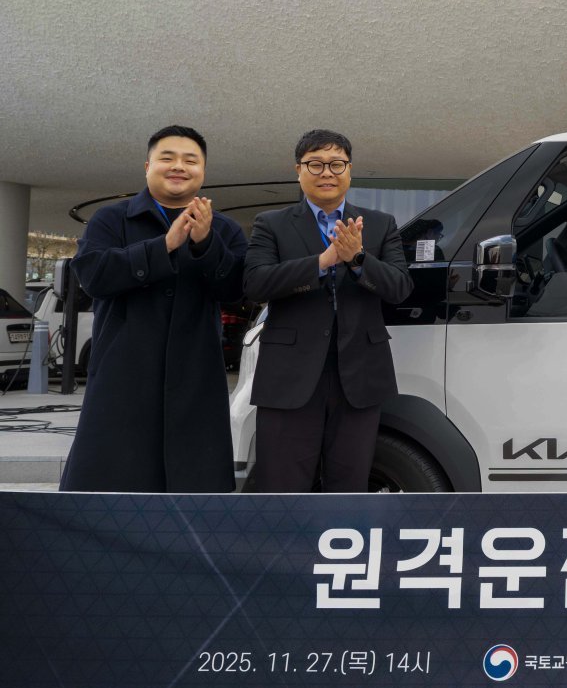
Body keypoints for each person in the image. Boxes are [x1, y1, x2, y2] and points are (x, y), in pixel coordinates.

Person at [59, 125, 247, 492]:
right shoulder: (112, 219)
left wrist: (206, 244)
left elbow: (236, 290)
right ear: (148, 166)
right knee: (111, 484)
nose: (179, 166)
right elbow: (94, 276)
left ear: (203, 172)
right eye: (167, 158)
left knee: (194, 488)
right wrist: (165, 246)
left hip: (196, 376)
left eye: (190, 160)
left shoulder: (223, 228)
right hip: (122, 374)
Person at [244, 129, 414, 492]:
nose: (327, 172)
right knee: (282, 484)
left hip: (360, 373)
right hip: (289, 375)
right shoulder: (271, 223)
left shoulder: (380, 224)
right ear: (298, 170)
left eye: (337, 164)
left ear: (349, 170)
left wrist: (358, 258)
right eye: (315, 164)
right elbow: (255, 284)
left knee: (349, 484)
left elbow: (399, 288)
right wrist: (321, 262)